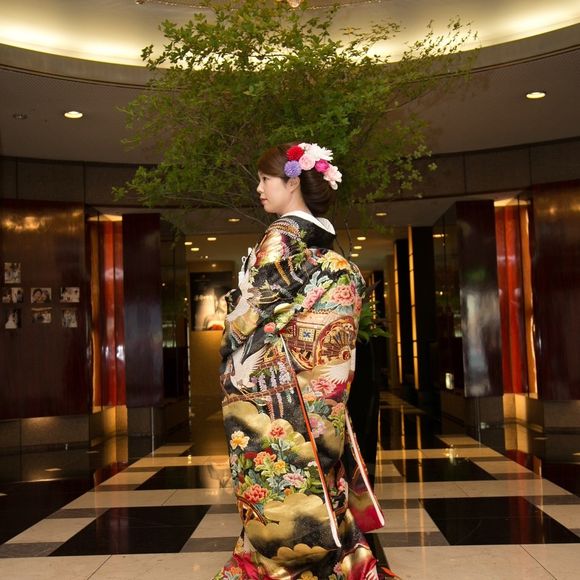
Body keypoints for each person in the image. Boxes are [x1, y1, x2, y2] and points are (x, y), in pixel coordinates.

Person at [215, 142, 390, 579]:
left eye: (265, 179)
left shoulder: (280, 236)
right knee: (323, 489)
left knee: (280, 499)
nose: (259, 189)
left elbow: (252, 312)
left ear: (292, 182)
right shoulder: (323, 241)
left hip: (278, 395)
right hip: (319, 397)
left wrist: (231, 322)